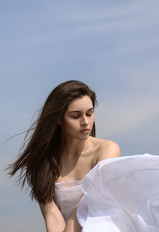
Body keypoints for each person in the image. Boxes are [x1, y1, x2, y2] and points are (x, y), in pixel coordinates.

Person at [8, 80, 159, 232]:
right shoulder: (44, 162)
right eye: (75, 116)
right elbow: (52, 217)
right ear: (59, 119)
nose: (85, 122)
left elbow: (81, 208)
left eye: (90, 113)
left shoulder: (107, 150)